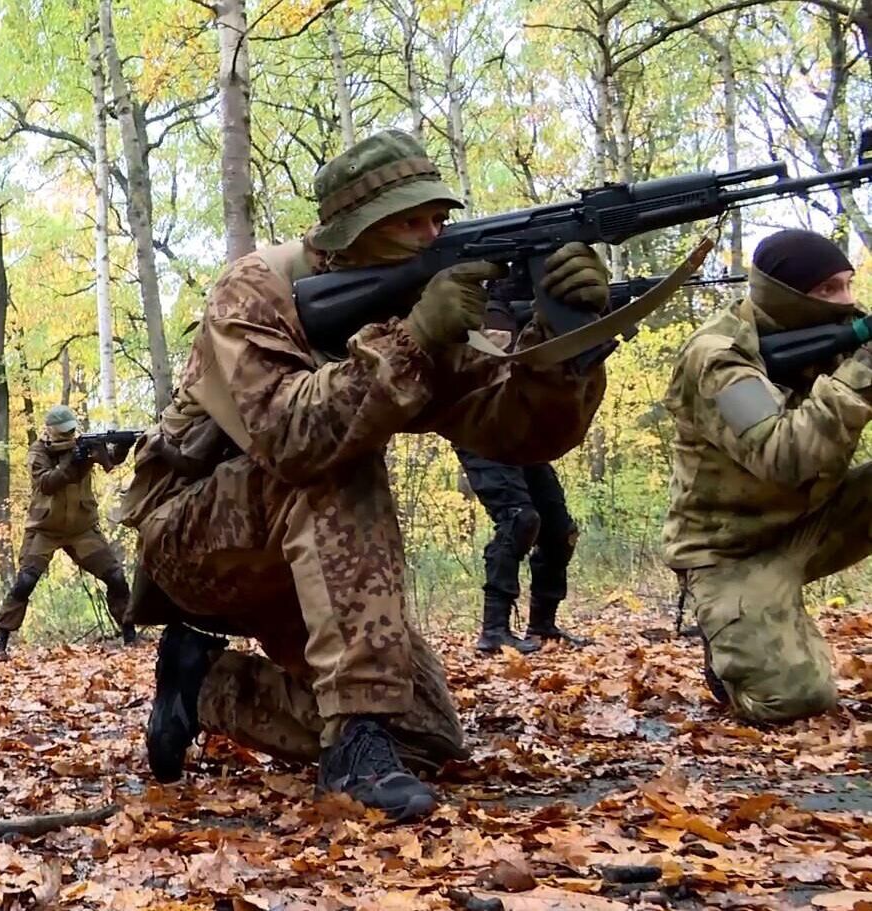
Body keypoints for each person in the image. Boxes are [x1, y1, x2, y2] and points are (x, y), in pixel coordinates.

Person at [115, 130, 610, 820]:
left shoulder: (416, 304)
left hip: (313, 558)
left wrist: (566, 350)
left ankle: (202, 686)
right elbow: (290, 439)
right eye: (410, 220)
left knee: (426, 733)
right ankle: (352, 741)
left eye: (437, 219)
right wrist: (413, 340)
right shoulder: (256, 288)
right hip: (192, 540)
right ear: (354, 229)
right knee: (338, 463)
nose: (430, 234)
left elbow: (515, 429)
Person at [664, 228, 864, 723]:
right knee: (795, 700)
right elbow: (782, 454)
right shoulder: (718, 357)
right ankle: (738, 648)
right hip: (731, 551)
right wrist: (861, 377)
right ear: (785, 296)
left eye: (848, 284)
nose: (846, 302)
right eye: (828, 290)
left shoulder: (843, 333)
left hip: (816, 519)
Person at [453, 298, 590, 653]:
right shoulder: (463, 304)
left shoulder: (524, 310)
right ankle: (493, 631)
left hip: (517, 427)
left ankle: (543, 626)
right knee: (519, 520)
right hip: (478, 430)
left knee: (560, 530)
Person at [0, 406, 134, 658]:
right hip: (44, 529)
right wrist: (72, 463)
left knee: (115, 577)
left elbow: (110, 462)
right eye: (63, 431)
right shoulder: (38, 452)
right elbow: (46, 483)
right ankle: (1, 641)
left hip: (82, 528)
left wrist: (121, 447)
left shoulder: (83, 444)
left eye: (70, 429)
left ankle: (130, 636)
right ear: (49, 430)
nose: (69, 434)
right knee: (25, 582)